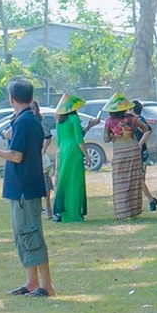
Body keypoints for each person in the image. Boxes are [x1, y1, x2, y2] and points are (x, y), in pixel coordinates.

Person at [0, 79, 54, 296]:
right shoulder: (25, 120)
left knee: (31, 234)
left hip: (24, 187)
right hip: (23, 186)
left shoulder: (25, 121)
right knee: (23, 234)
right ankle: (32, 282)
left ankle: (46, 285)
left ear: (12, 99)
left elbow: (16, 156)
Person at [103, 95, 149, 219]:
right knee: (133, 180)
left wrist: (115, 135)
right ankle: (134, 210)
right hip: (133, 150)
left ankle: (122, 211)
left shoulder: (109, 122)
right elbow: (145, 129)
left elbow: (106, 139)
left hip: (119, 152)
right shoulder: (131, 118)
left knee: (119, 181)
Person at [50, 93, 87, 223]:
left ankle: (62, 211)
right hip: (74, 150)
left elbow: (59, 140)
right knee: (75, 181)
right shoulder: (74, 119)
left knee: (63, 180)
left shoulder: (59, 121)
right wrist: (86, 155)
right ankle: (74, 212)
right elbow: (79, 139)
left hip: (64, 150)